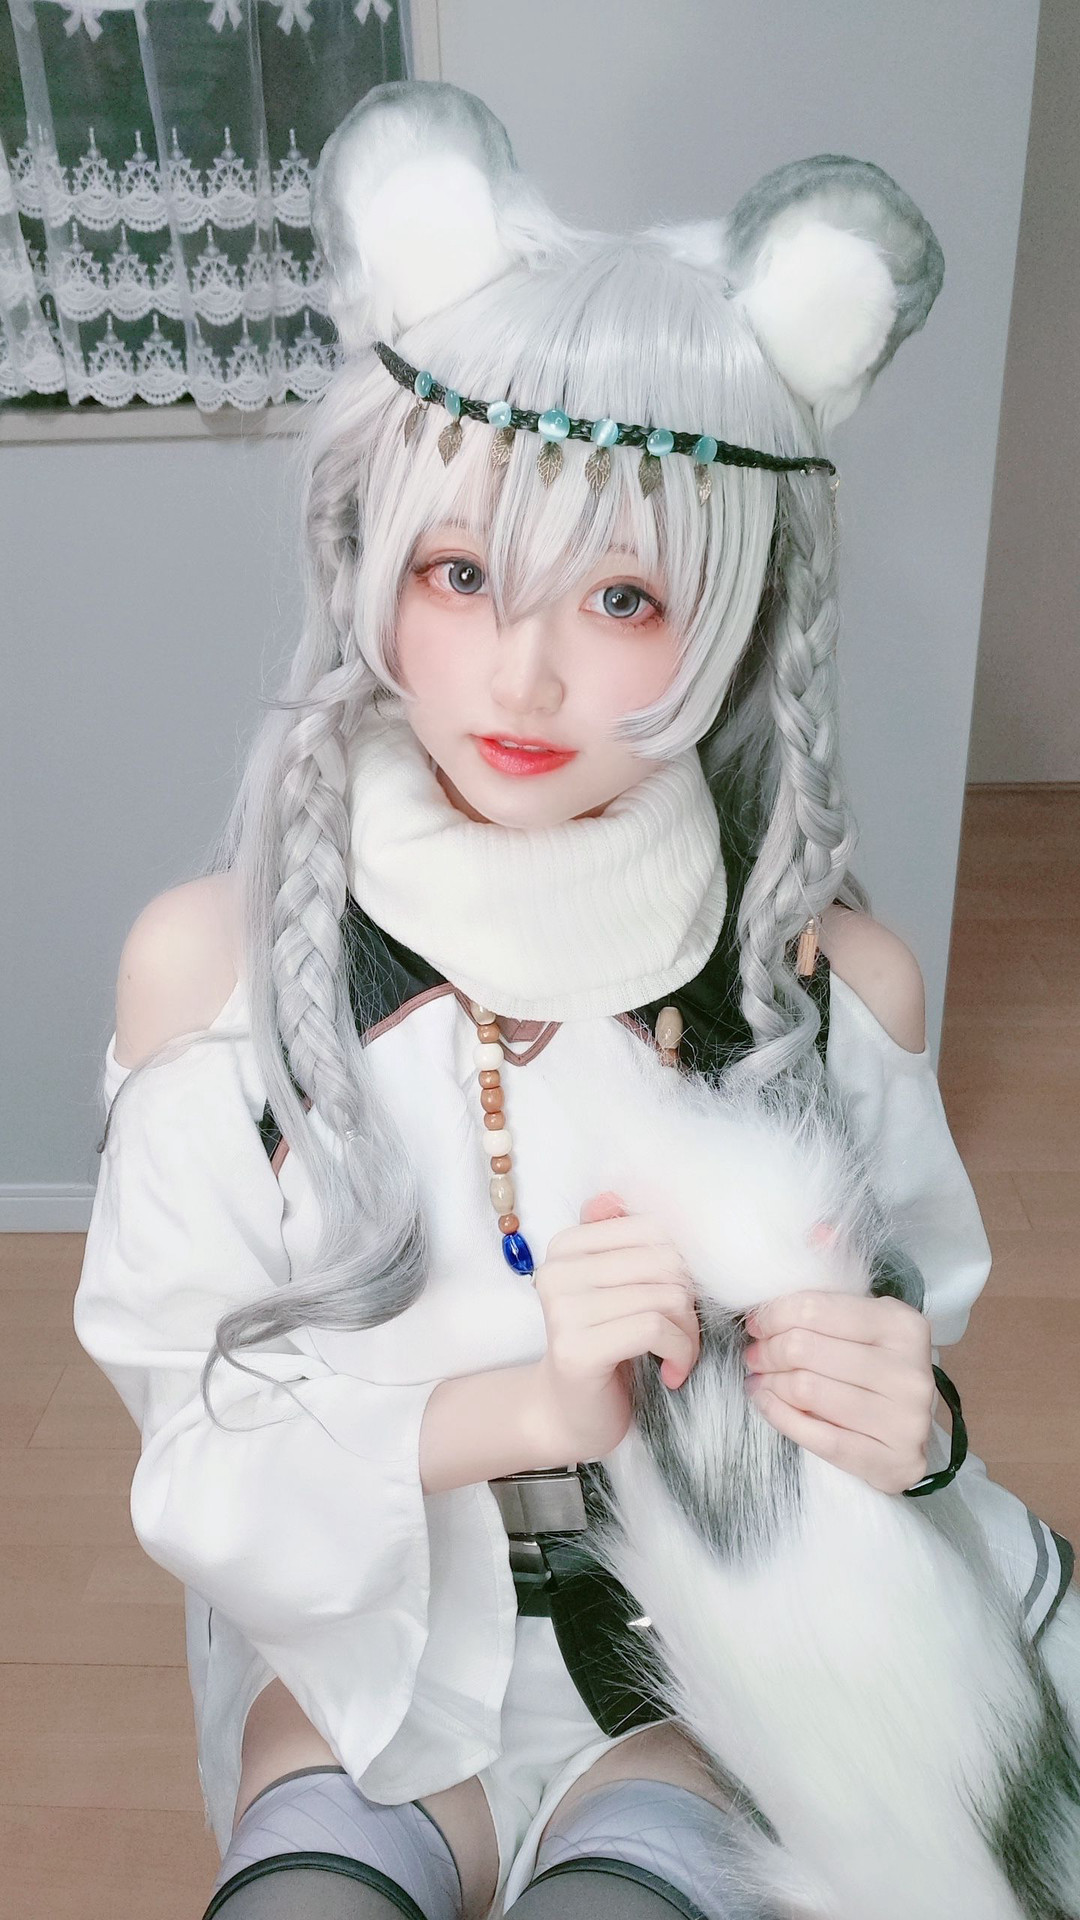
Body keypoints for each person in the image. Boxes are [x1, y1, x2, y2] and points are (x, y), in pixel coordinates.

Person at [74, 81, 1079, 1920]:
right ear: (372, 562)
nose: (523, 672)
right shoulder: (212, 972)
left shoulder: (833, 986)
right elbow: (197, 1463)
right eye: (463, 574)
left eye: (623, 595)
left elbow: (903, 1384)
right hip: (368, 1672)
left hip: (685, 1694)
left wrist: (917, 1429)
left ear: (739, 611)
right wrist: (528, 1404)